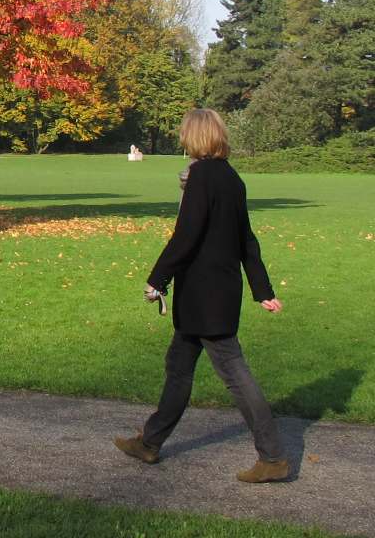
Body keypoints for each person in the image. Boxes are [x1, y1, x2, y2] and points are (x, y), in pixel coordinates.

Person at [114, 108, 288, 483]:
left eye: (183, 133)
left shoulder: (202, 177)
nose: (180, 138)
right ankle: (150, 442)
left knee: (234, 373)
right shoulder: (231, 178)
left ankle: (273, 458)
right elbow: (247, 241)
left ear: (194, 137)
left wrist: (157, 279)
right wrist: (262, 290)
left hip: (203, 296)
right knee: (178, 365)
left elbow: (186, 235)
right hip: (217, 292)